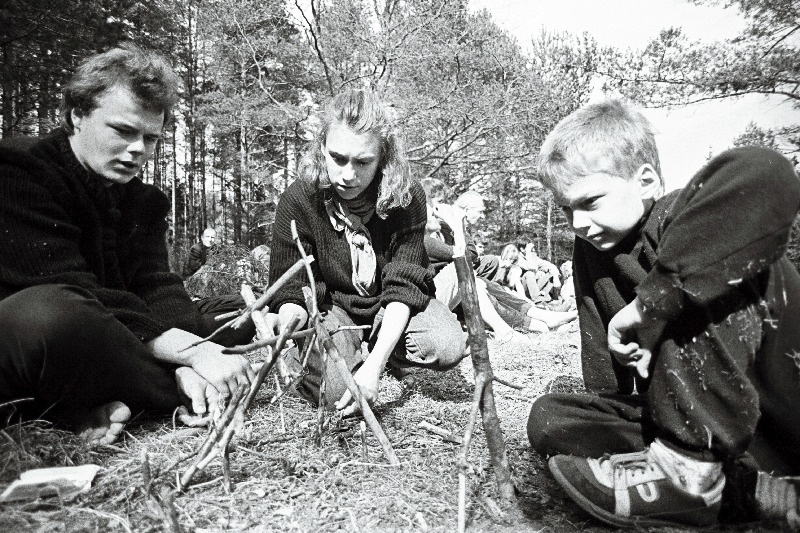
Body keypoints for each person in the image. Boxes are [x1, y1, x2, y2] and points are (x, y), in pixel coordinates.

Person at [527, 99, 800, 528]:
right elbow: (605, 364)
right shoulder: (591, 252)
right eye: (566, 209)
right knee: (551, 415)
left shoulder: (679, 215)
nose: (576, 222)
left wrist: (648, 303)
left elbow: (766, 170)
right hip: (691, 426)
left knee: (710, 273)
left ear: (647, 181)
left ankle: (694, 477)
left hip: (775, 414)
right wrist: (607, 400)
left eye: (590, 202)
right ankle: (743, 490)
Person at [0, 44, 255, 445]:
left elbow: (156, 286)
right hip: (23, 345)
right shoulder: (19, 170)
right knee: (52, 314)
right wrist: (189, 357)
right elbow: (78, 292)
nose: (138, 150)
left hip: (98, 344)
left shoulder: (142, 201)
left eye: (150, 138)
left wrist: (198, 347)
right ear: (76, 116)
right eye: (122, 130)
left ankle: (99, 403)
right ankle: (170, 393)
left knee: (231, 315)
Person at [265, 89, 467, 416]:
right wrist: (292, 320)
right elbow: (291, 289)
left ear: (383, 159)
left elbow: (403, 289)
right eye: (337, 158)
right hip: (334, 308)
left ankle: (378, 351)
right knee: (335, 394)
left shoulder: (406, 198)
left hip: (390, 305)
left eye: (362, 162)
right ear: (322, 149)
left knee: (447, 346)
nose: (348, 174)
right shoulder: (299, 200)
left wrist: (374, 367)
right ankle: (321, 355)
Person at [420, 179, 538, 342]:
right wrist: (457, 224)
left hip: (434, 301)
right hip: (425, 309)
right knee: (463, 272)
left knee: (483, 284)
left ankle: (529, 319)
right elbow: (464, 258)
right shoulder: (422, 239)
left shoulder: (437, 232)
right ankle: (520, 324)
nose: (441, 209)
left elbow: (469, 256)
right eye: (439, 203)